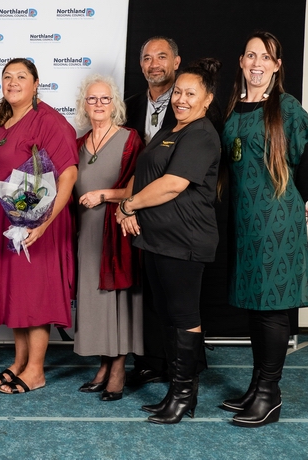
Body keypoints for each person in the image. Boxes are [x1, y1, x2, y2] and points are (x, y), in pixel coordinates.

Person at [220, 31, 308, 428]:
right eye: (250, 55)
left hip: (277, 222)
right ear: (242, 63)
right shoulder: (234, 107)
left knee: (273, 310)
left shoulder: (289, 109)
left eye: (266, 57)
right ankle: (256, 385)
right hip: (245, 222)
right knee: (256, 311)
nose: (257, 63)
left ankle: (269, 394)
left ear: (277, 66)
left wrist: (292, 205)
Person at [115, 59, 222, 424]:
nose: (181, 98)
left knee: (184, 316)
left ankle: (184, 397)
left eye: (191, 94)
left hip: (184, 241)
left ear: (207, 100)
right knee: (167, 316)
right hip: (157, 241)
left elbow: (173, 183)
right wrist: (127, 209)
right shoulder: (168, 128)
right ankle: (175, 392)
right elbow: (144, 175)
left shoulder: (202, 133)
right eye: (178, 91)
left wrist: (129, 205)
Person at [0, 58, 78, 394]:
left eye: (21, 77)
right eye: (7, 77)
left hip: (37, 226)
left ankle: (36, 371)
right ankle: (20, 362)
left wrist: (42, 225)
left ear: (36, 82)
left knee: (35, 297)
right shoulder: (2, 119)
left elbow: (69, 174)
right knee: (18, 296)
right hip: (3, 224)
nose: (13, 82)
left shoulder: (50, 122)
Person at [73, 74, 144, 401]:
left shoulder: (130, 139)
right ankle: (103, 364)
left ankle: (118, 368)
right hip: (87, 232)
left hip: (117, 229)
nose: (98, 104)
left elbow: (137, 188)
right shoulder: (78, 142)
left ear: (114, 103)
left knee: (117, 299)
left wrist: (104, 195)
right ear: (84, 105)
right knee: (96, 300)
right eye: (92, 99)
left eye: (104, 99)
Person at [122, 36, 180, 387]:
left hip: (177, 211)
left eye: (162, 56)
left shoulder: (192, 104)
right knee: (144, 289)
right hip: (135, 212)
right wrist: (126, 207)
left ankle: (180, 365)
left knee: (176, 294)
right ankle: (148, 360)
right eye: (147, 57)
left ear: (176, 62)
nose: (154, 63)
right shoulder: (128, 107)